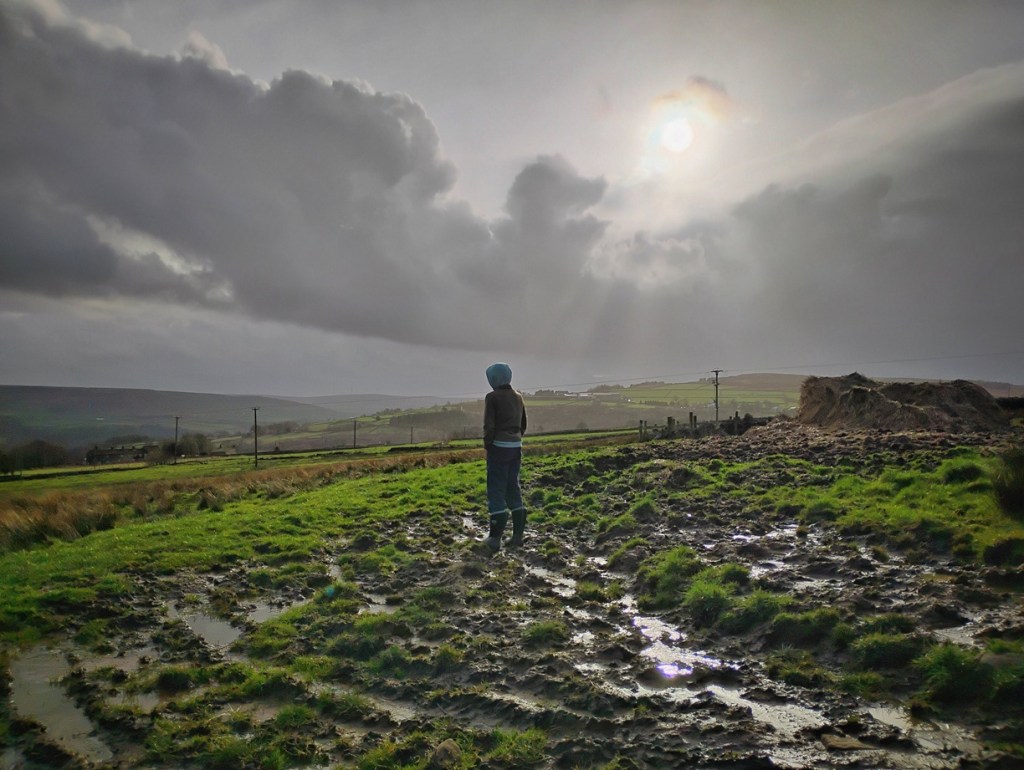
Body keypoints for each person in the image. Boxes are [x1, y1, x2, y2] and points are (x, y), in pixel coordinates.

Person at [482, 362, 528, 552]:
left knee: (496, 489)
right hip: (516, 446)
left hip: (499, 447)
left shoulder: (492, 397)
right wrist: (515, 438)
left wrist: (488, 444)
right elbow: (523, 423)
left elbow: (489, 425)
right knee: (512, 487)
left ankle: (495, 538)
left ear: (494, 379)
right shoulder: (518, 396)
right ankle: (517, 535)